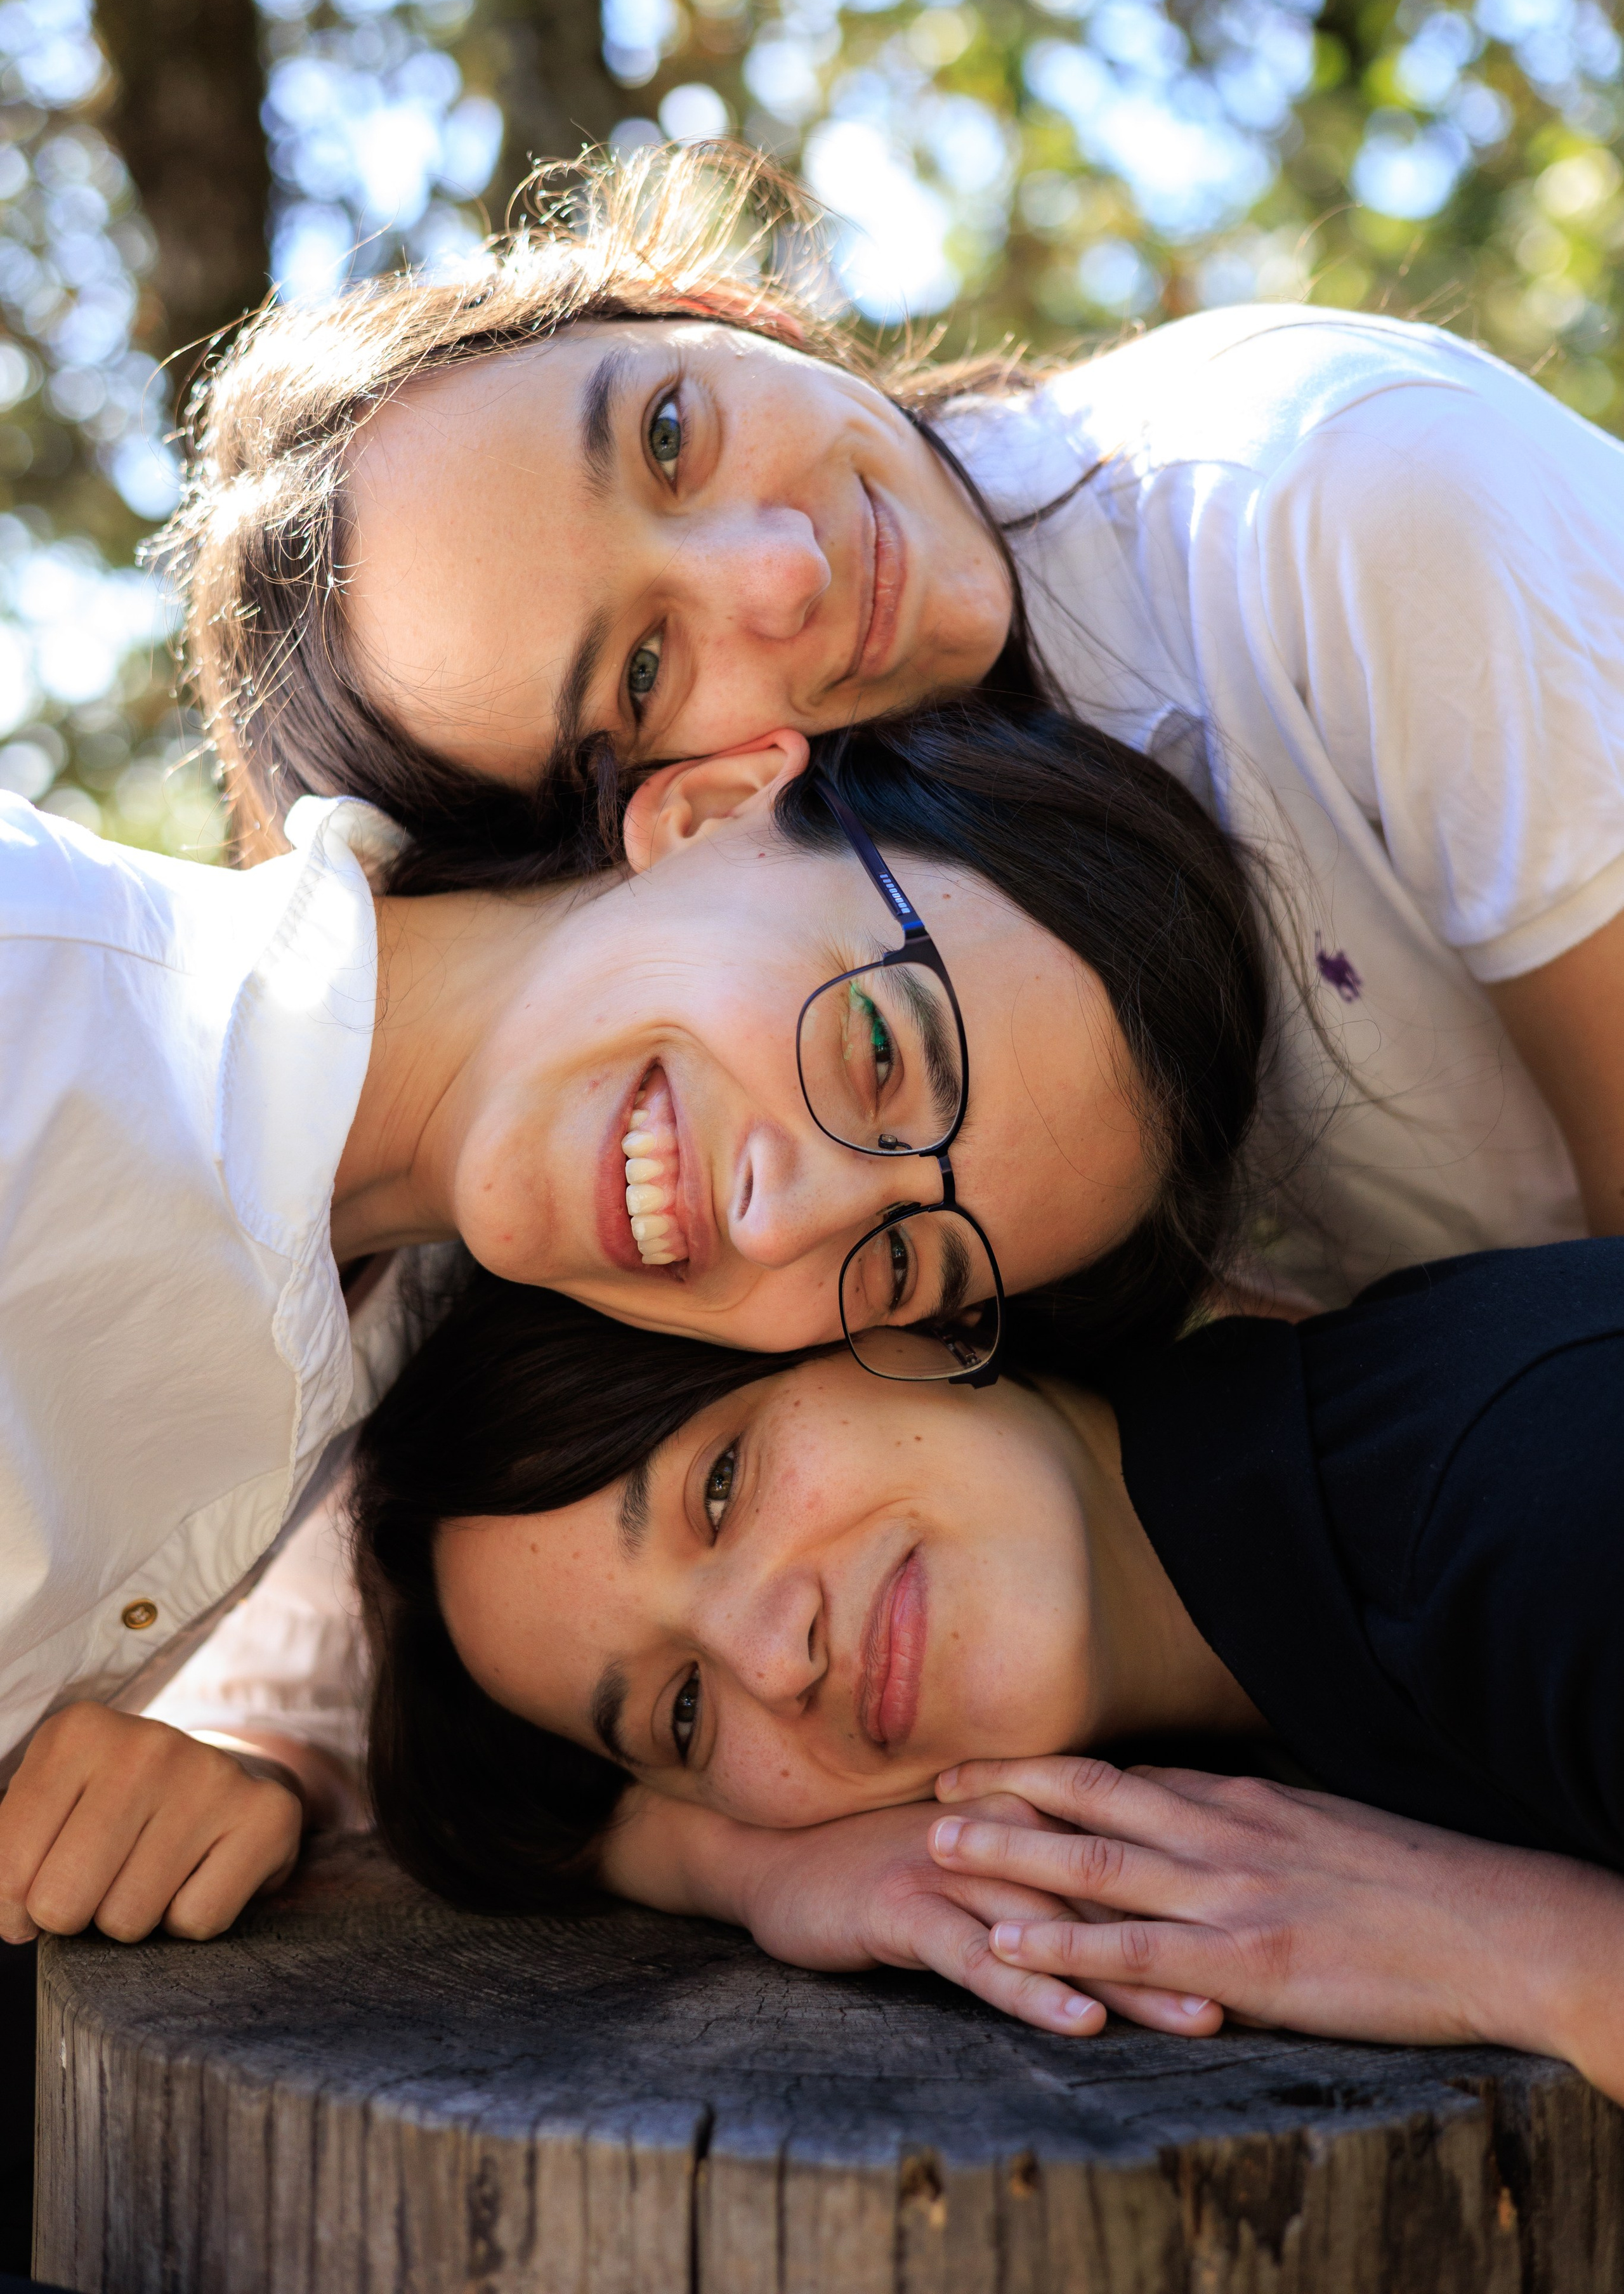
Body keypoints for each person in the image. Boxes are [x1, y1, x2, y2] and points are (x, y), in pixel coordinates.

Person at [162, 140, 1624, 1309]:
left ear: (729, 313)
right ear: (648, 836)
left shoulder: (1335, 500)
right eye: (646, 674)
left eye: (669, 435)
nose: (778, 569)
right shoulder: (765, 1114)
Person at [0, 698, 1271, 1948]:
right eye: (878, 1052)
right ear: (714, 810)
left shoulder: (405, 1328)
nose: (782, 1224)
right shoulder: (31, 987)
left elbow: (438, 1687)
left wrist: (725, 1854)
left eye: (893, 1267)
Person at [350, 1238, 1624, 2102]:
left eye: (721, 1486)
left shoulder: (1532, 1505)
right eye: (682, 1713)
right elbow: (546, 1833)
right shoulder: (1313, 1556)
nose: (766, 1654)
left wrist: (1527, 1953)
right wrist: (747, 1861)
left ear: (904, 1307)